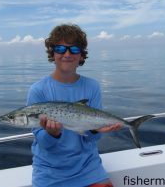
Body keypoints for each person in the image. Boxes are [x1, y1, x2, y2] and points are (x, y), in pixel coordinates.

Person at [26, 24, 121, 187]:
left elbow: (93, 138)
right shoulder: (38, 90)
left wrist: (95, 129)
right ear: (52, 53)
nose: (67, 54)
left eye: (74, 49)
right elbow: (44, 143)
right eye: (60, 48)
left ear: (82, 56)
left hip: (88, 167)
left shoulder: (92, 86)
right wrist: (52, 134)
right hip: (50, 173)